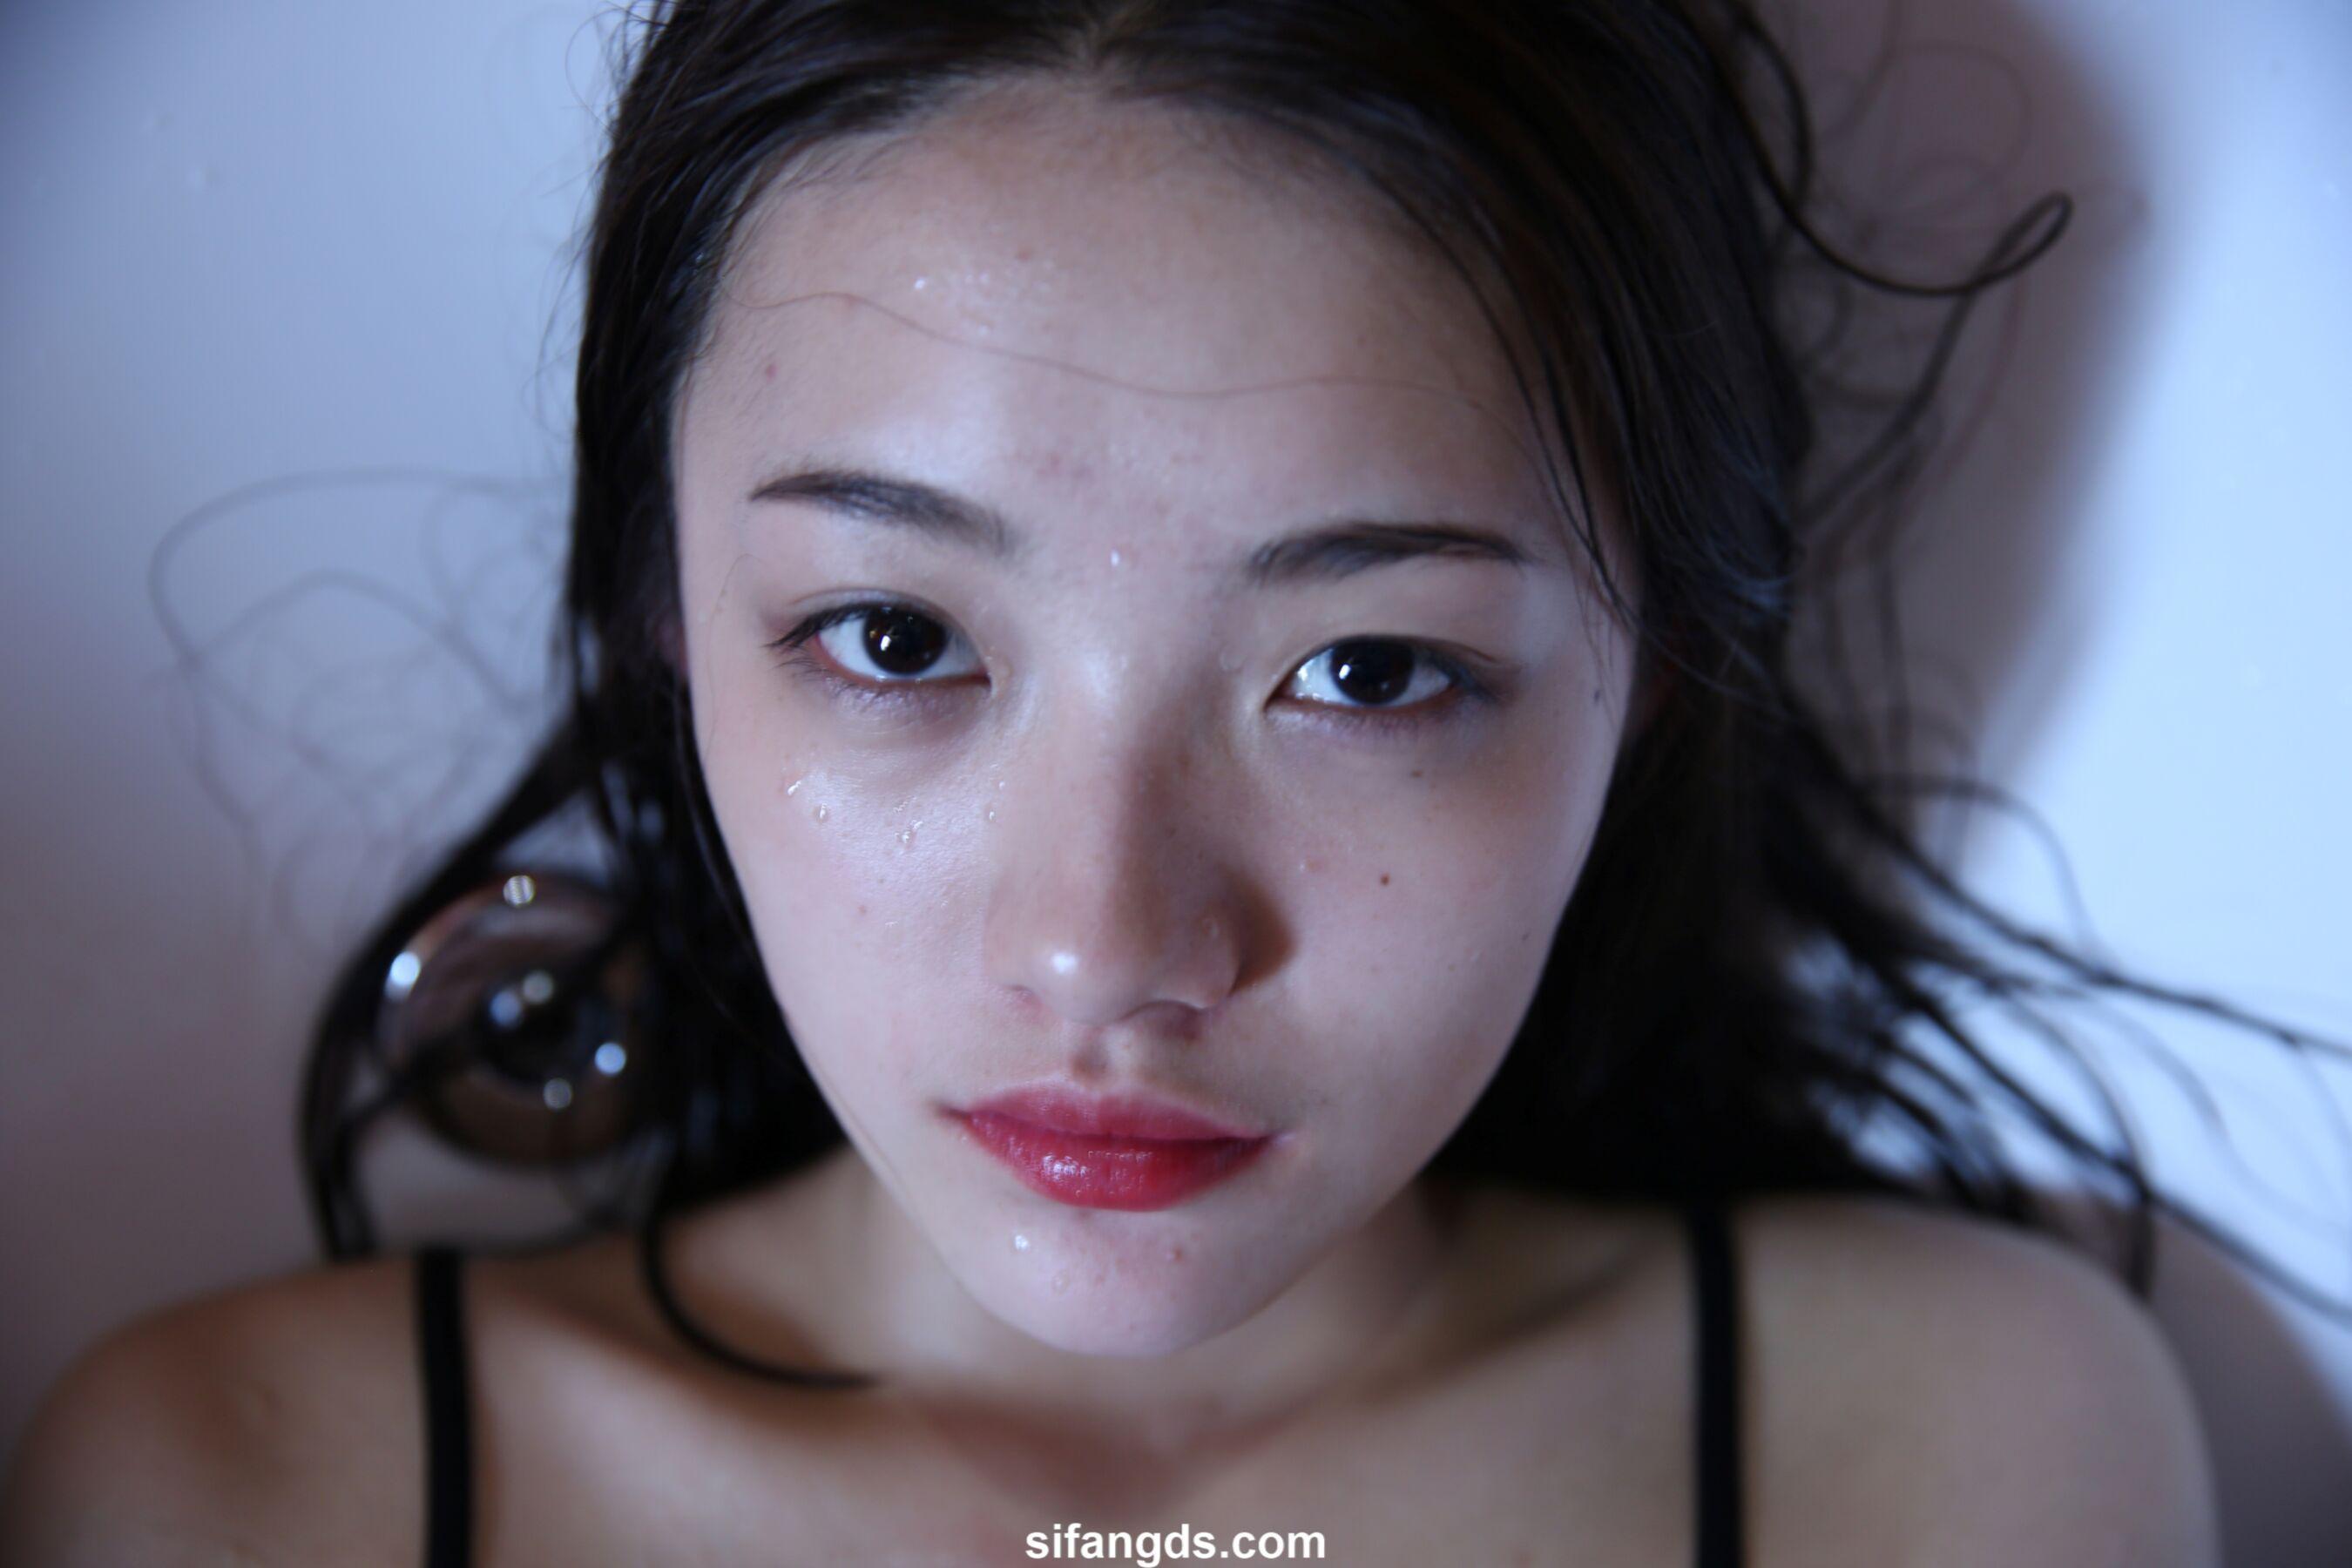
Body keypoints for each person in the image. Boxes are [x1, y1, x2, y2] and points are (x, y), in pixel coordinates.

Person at [10, 1, 2283, 1562]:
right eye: (895, 639)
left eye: (1369, 671)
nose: (1104, 946)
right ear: (663, 619)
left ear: (1654, 681)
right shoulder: (253, 1497)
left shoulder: (1936, 1461)